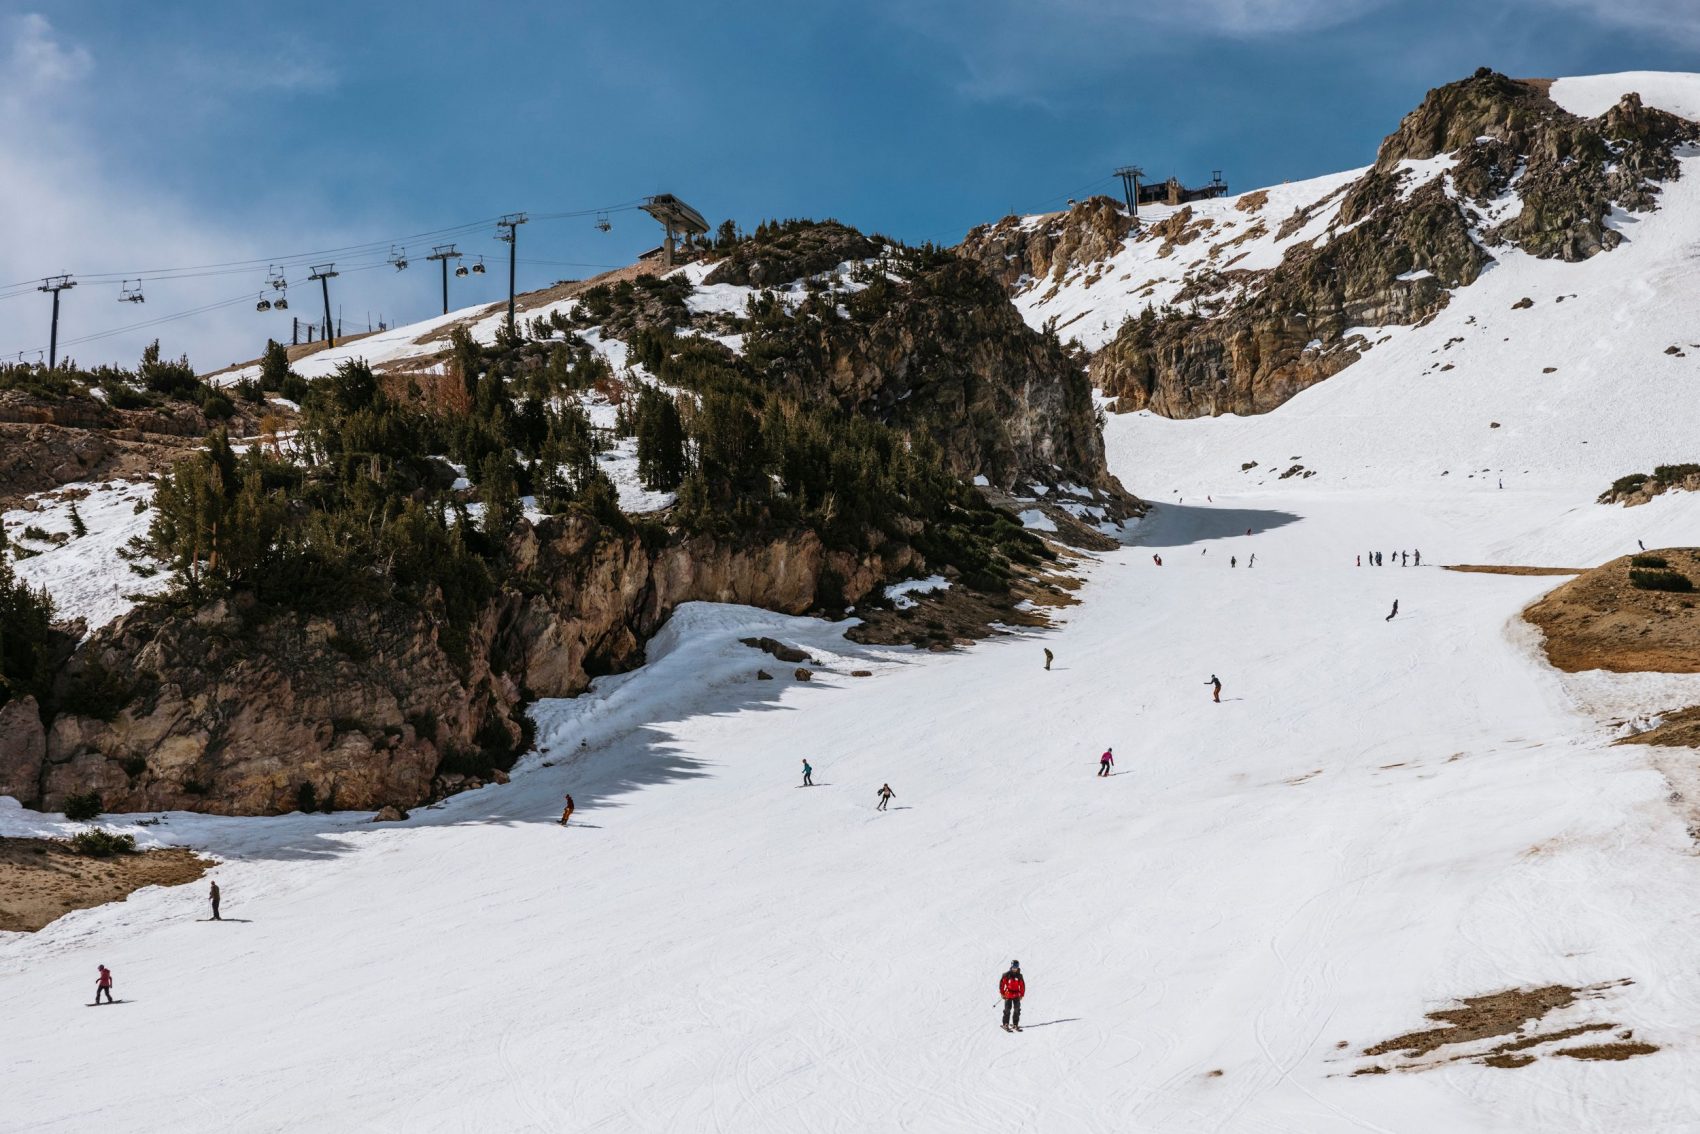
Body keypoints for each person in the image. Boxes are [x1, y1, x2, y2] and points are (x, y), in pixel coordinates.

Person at [1000, 961, 1025, 1031]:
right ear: (1011, 967)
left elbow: (1022, 986)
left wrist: (1022, 994)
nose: (1014, 969)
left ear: (1018, 967)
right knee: (1007, 1009)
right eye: (1013, 967)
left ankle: (1015, 1024)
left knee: (1017, 1009)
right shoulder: (1006, 975)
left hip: (1017, 995)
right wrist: (1002, 993)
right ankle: (1005, 1024)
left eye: (1016, 967)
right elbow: (1002, 984)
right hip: (1008, 995)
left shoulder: (1019, 976)